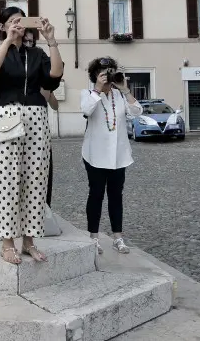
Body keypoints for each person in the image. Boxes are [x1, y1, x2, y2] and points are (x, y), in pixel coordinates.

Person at [0, 8, 63, 264]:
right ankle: (6, 242)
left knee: (36, 179)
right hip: (6, 116)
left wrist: (52, 40)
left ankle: (29, 240)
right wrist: (7, 42)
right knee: (6, 179)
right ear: (2, 26)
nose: (18, 25)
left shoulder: (37, 54)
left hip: (36, 115)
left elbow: (55, 75)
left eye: (21, 21)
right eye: (12, 22)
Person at [81, 57, 142, 254]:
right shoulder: (89, 94)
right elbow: (86, 110)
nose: (107, 76)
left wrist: (125, 89)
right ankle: (93, 237)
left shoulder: (120, 96)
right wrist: (98, 88)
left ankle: (118, 238)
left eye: (110, 72)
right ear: (95, 75)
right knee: (96, 195)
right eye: (103, 73)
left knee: (116, 196)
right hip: (95, 155)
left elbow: (136, 112)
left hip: (118, 155)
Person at [26, 28, 59, 207]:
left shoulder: (41, 63)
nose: (30, 45)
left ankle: (44, 210)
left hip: (40, 130)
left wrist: (48, 93)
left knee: (43, 173)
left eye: (32, 42)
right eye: (27, 42)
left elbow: (55, 105)